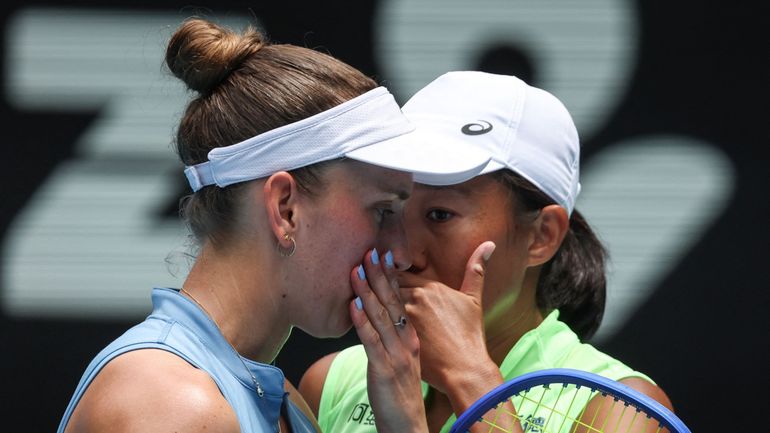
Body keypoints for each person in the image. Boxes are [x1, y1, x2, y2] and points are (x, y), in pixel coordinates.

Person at [56, 19, 490, 433]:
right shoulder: (174, 405)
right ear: (285, 209)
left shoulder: (281, 400)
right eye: (382, 211)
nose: (401, 253)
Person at [300, 71, 675, 433]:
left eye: (440, 215)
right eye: (389, 211)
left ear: (542, 236)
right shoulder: (331, 384)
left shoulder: (623, 410)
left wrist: (470, 377)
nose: (402, 253)